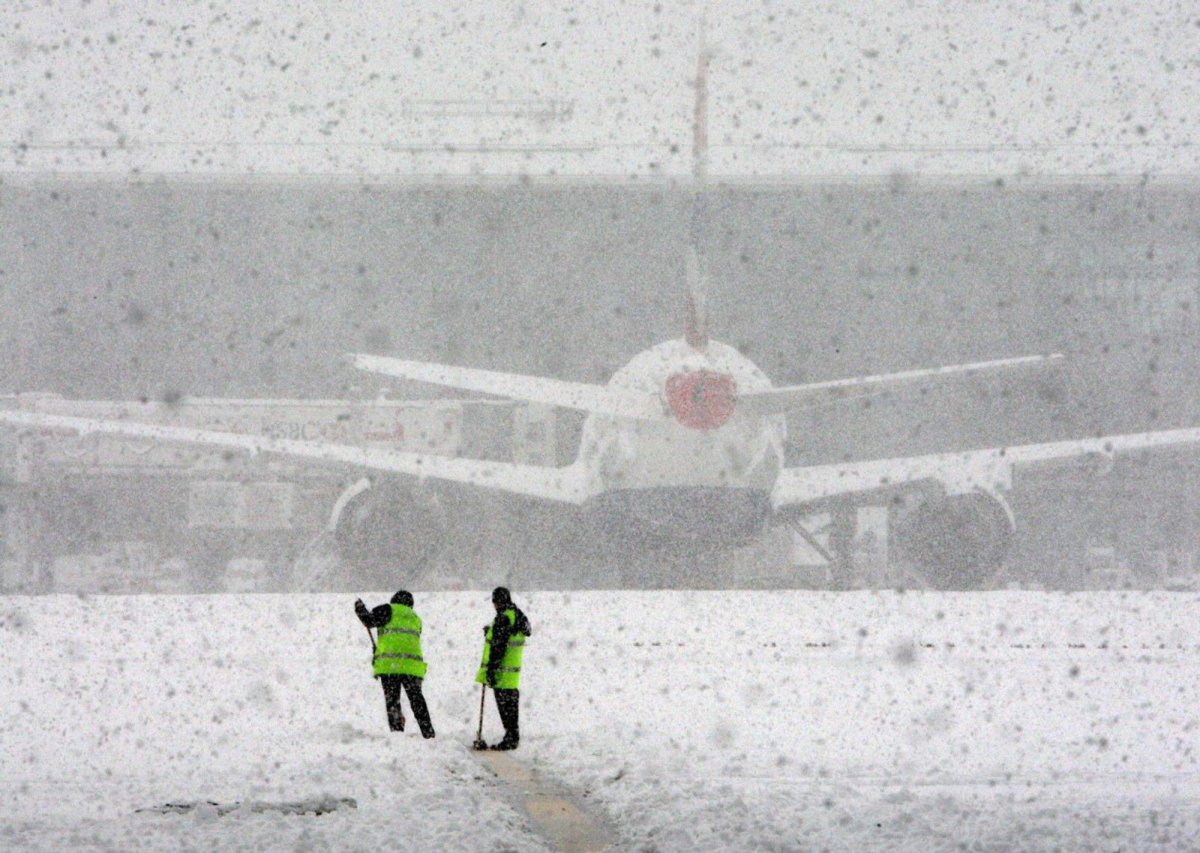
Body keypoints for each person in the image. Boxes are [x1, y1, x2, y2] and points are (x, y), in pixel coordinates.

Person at [355, 590, 435, 738]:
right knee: (417, 701)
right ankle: (428, 733)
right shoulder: (416, 618)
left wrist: (359, 609)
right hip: (413, 667)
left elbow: (368, 620)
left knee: (393, 701)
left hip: (390, 665)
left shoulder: (388, 609)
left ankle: (397, 733)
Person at [475, 586, 531, 750]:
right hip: (512, 672)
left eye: (494, 602)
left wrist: (491, 670)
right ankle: (513, 736)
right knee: (511, 706)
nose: (494, 605)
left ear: (497, 602)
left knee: (505, 707)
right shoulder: (517, 615)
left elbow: (498, 647)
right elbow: (516, 633)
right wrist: (492, 631)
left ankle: (511, 738)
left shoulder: (503, 619)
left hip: (502, 671)